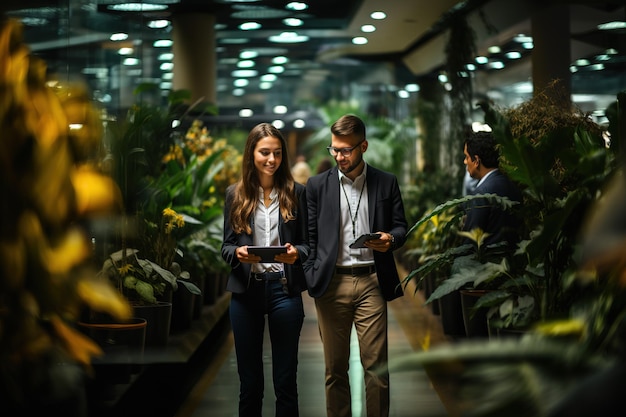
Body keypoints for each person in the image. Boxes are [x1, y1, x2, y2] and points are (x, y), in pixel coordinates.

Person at [304, 114, 408, 417]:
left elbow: (401, 227)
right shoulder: (316, 186)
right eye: (334, 149)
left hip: (372, 283)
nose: (339, 156)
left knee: (377, 367)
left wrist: (390, 238)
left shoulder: (385, 182)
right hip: (331, 284)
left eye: (346, 150)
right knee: (334, 370)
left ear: (363, 146)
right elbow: (309, 238)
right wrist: (313, 275)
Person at [221, 123, 310, 417]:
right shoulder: (235, 195)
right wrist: (238, 253)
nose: (271, 160)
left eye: (277, 153)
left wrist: (297, 253)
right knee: (250, 384)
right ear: (251, 154)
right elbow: (226, 246)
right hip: (246, 293)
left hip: (284, 290)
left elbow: (310, 245)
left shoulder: (297, 193)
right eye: (264, 153)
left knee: (285, 381)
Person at [462, 130, 523, 248]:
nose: (465, 161)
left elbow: (470, 244)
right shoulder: (512, 186)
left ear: (476, 161)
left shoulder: (480, 195)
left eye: (467, 157)